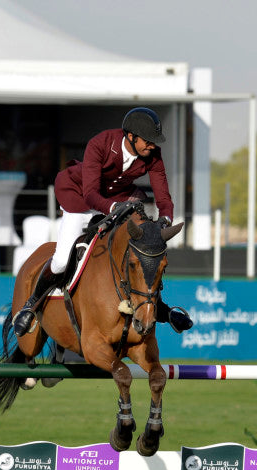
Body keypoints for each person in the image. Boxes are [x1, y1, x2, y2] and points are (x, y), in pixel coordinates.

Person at [12, 107, 192, 336]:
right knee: (59, 261)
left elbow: (163, 196)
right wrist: (114, 208)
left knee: (142, 250)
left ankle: (162, 310)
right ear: (131, 137)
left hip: (117, 199)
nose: (153, 146)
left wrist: (165, 219)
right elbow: (90, 195)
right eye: (148, 141)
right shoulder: (101, 143)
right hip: (79, 197)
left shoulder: (152, 155)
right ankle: (31, 305)